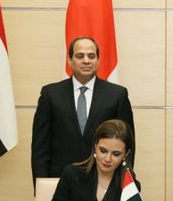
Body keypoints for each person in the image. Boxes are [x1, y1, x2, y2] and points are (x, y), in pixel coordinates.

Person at [31, 36, 135, 188]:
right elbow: (40, 147)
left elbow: (128, 146)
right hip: (60, 183)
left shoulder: (117, 95)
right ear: (69, 59)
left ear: (98, 60)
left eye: (91, 56)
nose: (86, 60)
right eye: (80, 56)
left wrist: (122, 184)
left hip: (105, 183)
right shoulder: (50, 94)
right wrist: (41, 187)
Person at [39, 119, 143, 201]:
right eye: (103, 151)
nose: (107, 159)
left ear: (126, 154)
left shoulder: (130, 186)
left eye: (116, 154)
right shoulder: (72, 174)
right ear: (95, 147)